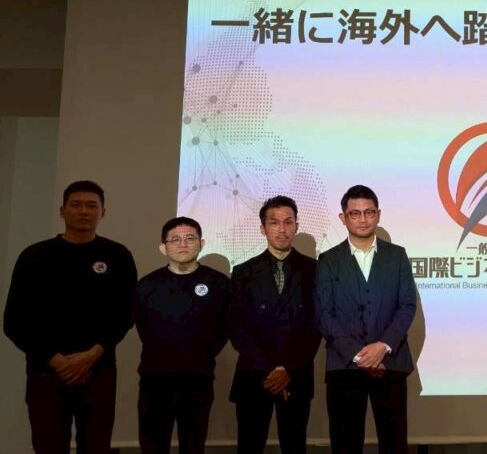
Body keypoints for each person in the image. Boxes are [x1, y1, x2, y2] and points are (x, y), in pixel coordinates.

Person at [4, 180, 137, 454]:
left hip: (98, 371)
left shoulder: (118, 256)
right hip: (46, 372)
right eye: (76, 205)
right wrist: (57, 361)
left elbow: (126, 314)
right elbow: (15, 321)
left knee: (96, 447)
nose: (84, 211)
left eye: (91, 205)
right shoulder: (34, 256)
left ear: (103, 212)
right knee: (48, 446)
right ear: (62, 210)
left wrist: (90, 356)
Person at [315, 185, 418, 454]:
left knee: (394, 444)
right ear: (343, 218)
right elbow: (324, 314)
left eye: (369, 212)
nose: (363, 219)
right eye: (355, 213)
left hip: (390, 362)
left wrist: (383, 346)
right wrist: (359, 355)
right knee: (345, 444)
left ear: (378, 215)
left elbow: (407, 305)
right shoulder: (328, 260)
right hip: (345, 364)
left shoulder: (397, 255)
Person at [229, 196, 322, 454]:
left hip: (296, 374)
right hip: (254, 374)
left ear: (296, 226)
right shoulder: (243, 272)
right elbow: (235, 325)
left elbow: (316, 324)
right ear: (263, 228)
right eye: (274, 222)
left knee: (294, 445)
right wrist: (270, 368)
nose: (282, 229)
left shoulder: (314, 270)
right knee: (249, 445)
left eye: (288, 222)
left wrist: (287, 367)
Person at [134, 216, 229, 454]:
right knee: (153, 446)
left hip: (198, 378)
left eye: (190, 238)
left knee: (193, 445)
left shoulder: (219, 283)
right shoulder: (146, 285)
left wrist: (202, 352)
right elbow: (143, 327)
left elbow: (225, 327)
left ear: (201, 243)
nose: (183, 244)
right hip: (155, 379)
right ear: (163, 247)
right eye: (175, 239)